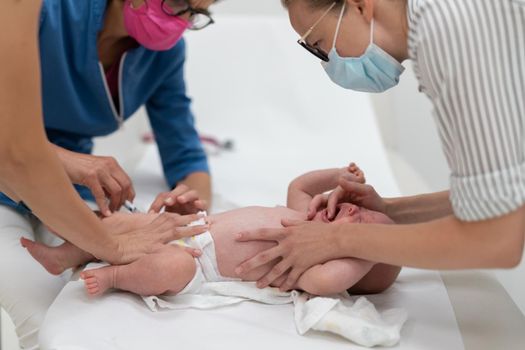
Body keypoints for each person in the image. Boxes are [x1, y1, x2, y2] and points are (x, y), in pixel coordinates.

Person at [234, 0, 525, 293]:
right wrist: (386, 211)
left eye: (320, 45)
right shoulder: (441, 28)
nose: (329, 62)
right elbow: (503, 195)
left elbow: (496, 238)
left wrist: (338, 239)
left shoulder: (448, 27)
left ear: (360, 6)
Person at [0, 0, 216, 348]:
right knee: (43, 318)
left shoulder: (162, 54)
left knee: (102, 312)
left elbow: (186, 151)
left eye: (197, 13)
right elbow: (14, 150)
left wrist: (190, 200)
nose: (183, 21)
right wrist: (109, 242)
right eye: (178, 3)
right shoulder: (49, 14)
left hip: (68, 188)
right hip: (9, 179)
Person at [22, 164, 402, 297]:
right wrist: (335, 177)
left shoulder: (313, 264)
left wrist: (361, 249)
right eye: (366, 208)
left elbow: (327, 284)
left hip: (199, 264)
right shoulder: (306, 216)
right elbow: (299, 186)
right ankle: (66, 252)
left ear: (354, 258)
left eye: (364, 222)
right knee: (131, 223)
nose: (358, 209)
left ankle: (114, 275)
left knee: (170, 270)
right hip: (191, 227)